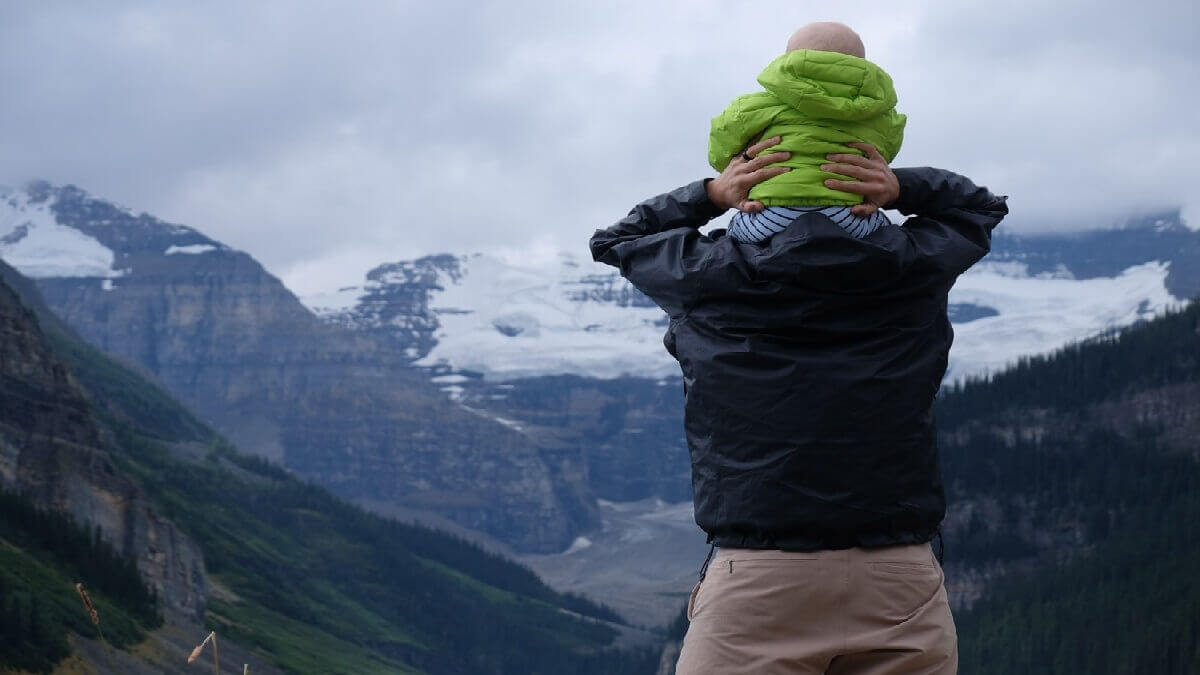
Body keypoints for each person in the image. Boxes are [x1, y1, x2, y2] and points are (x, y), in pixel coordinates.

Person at [588, 26, 1009, 672]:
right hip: (897, 582)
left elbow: (618, 239)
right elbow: (978, 211)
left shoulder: (705, 272)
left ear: (753, 153)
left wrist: (708, 195)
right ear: (867, 149)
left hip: (757, 585)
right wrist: (904, 190)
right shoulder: (914, 263)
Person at [709, 22, 906, 245]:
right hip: (851, 216)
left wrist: (718, 185)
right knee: (885, 227)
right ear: (861, 65)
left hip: (768, 214)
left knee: (732, 234)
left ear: (787, 61)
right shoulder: (879, 114)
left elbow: (719, 152)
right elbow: (886, 152)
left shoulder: (753, 107)